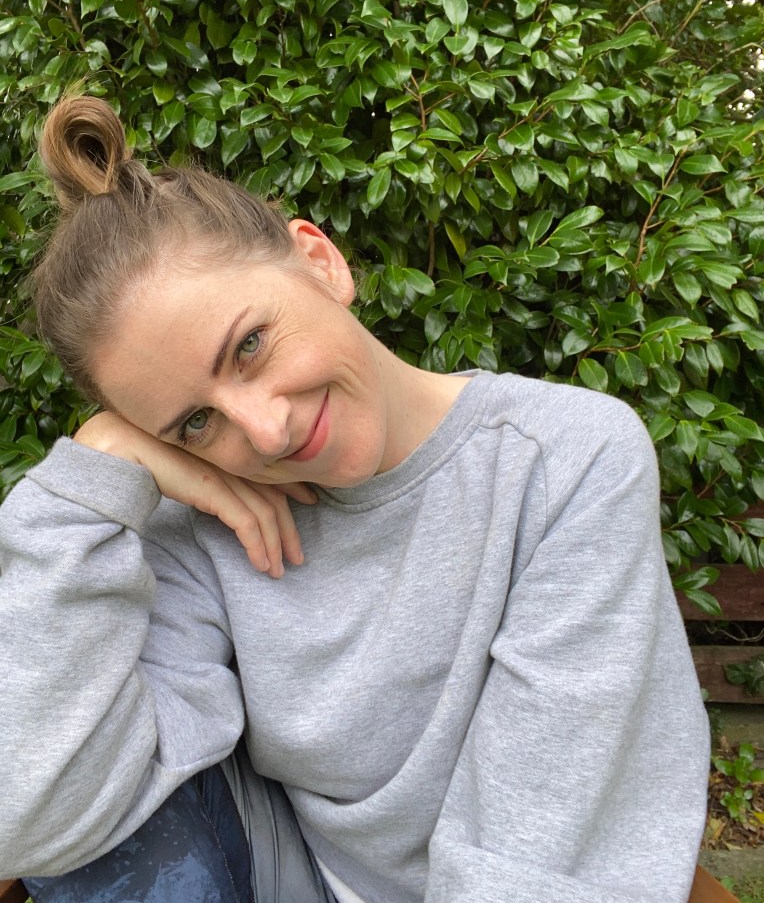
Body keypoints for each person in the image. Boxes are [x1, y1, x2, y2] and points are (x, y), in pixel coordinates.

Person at [0, 95, 709, 903]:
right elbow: (24, 816)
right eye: (195, 422)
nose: (265, 432)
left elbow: (534, 866)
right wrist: (92, 474)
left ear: (319, 260)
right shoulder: (206, 519)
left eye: (250, 346)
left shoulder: (563, 463)